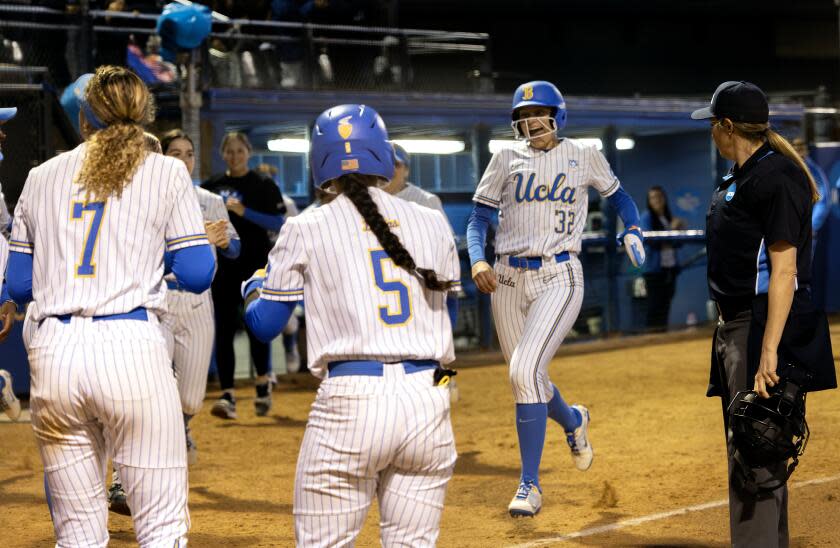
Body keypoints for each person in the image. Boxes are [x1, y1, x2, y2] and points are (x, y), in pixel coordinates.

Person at [5, 66, 214, 546]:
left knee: (78, 532)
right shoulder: (166, 170)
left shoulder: (41, 175)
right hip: (130, 346)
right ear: (143, 116)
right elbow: (199, 272)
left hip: (55, 352)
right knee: (160, 525)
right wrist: (143, 259)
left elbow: (18, 285)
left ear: (83, 120)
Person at [242, 103, 460, 547]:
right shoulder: (432, 220)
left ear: (322, 164)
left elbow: (265, 326)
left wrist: (252, 288)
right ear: (381, 155)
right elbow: (448, 316)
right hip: (427, 397)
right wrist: (443, 378)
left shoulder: (307, 226)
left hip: (351, 400)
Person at [466, 80, 646, 517]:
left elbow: (620, 198)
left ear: (558, 116)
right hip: (506, 277)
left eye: (539, 115)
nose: (531, 124)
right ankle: (574, 420)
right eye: (523, 118)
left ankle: (530, 484)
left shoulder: (583, 153)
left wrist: (633, 227)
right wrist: (477, 261)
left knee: (524, 371)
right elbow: (478, 219)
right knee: (526, 378)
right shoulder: (505, 157)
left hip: (559, 272)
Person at [692, 80, 836, 548]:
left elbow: (784, 268)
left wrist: (768, 350)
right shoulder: (741, 175)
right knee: (756, 452)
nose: (711, 132)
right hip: (738, 326)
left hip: (761, 327)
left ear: (729, 126)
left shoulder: (775, 177)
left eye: (714, 123)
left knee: (756, 453)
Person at [160, 128, 240, 462]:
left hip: (197, 301)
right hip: (159, 298)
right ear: (162, 157)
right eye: (175, 153)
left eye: (188, 153)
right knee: (155, 385)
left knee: (192, 398)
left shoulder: (210, 200)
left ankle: (182, 425)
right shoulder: (148, 196)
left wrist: (225, 243)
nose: (183, 159)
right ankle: (158, 443)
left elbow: (235, 247)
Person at [202, 131, 286, 419]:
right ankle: (228, 395)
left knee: (255, 325)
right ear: (223, 154)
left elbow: (278, 220)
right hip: (223, 268)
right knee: (223, 329)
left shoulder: (262, 184)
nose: (235, 156)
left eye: (240, 151)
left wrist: (243, 211)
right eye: (230, 151)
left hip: (255, 266)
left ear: (248, 153)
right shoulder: (212, 185)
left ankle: (263, 383)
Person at [640, 186, 686, 330]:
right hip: (654, 271)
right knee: (654, 307)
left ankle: (662, 339)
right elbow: (651, 242)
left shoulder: (667, 218)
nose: (657, 200)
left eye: (659, 196)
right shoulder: (646, 216)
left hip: (670, 269)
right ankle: (651, 341)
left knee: (665, 307)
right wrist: (671, 230)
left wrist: (679, 231)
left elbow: (677, 243)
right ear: (649, 201)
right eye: (653, 197)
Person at [791, 137, 830, 246]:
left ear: (807, 151)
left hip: (805, 232)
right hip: (786, 231)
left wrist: (811, 226)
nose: (798, 152)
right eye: (795, 148)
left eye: (801, 148)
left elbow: (823, 200)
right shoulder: (785, 168)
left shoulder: (813, 171)